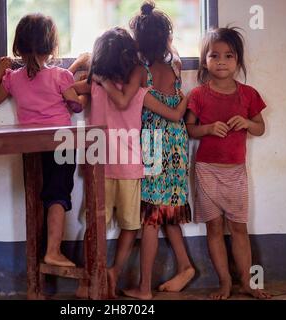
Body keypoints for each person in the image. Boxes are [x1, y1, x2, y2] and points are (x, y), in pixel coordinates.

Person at [71, 26, 188, 299]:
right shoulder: (140, 92)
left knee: (95, 226)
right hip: (130, 168)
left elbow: (67, 91)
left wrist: (80, 77)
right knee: (131, 225)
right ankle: (112, 272)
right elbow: (172, 114)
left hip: (98, 166)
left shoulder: (95, 86)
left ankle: (88, 282)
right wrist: (185, 101)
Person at [100, 1, 195, 300]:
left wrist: (100, 78)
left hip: (154, 145)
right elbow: (178, 109)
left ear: (137, 42)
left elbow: (124, 101)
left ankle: (144, 289)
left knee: (151, 217)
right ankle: (186, 266)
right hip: (178, 144)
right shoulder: (175, 65)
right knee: (165, 210)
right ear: (166, 37)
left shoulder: (141, 71)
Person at [0, 13, 87, 268]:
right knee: (58, 195)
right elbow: (76, 107)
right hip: (61, 143)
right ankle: (53, 251)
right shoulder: (61, 76)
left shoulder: (13, 79)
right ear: (52, 47)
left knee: (38, 195)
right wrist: (82, 92)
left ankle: (37, 256)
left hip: (30, 145)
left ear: (18, 46)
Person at [186, 26, 271, 299]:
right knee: (214, 228)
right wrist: (208, 129)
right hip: (207, 170)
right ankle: (225, 283)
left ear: (238, 61)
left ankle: (246, 282)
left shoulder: (248, 94)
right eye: (214, 55)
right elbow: (190, 129)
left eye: (229, 56)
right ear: (205, 60)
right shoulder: (198, 95)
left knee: (238, 228)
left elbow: (260, 128)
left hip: (235, 172)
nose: (221, 61)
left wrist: (247, 122)